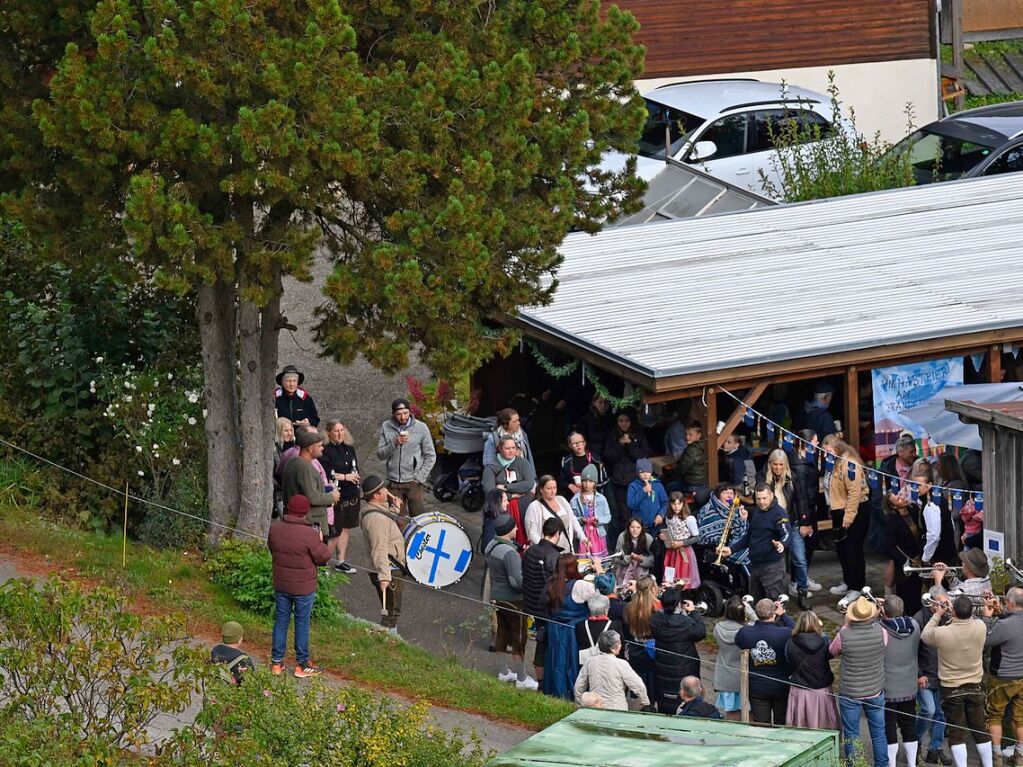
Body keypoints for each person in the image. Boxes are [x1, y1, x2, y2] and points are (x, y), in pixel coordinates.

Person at [921, 594, 993, 767]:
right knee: (980, 728)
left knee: (956, 731)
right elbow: (976, 619)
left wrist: (938, 614)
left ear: (954, 612)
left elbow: (925, 635)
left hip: (951, 688)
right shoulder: (980, 626)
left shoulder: (943, 632)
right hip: (975, 686)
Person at [267, 495, 332, 677]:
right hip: (303, 588)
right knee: (301, 623)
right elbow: (323, 557)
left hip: (281, 584)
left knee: (281, 621)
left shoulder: (275, 529)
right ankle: (301, 664)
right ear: (305, 512)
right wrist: (319, 539)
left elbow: (272, 549)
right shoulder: (309, 534)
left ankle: (277, 663)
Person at [830, 596, 889, 767]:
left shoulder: (844, 635)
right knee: (878, 733)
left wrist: (845, 625)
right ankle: (881, 764)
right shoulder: (881, 631)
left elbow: (832, 651)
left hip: (850, 692)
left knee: (851, 734)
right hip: (875, 689)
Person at [485, 514, 538, 690]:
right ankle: (522, 678)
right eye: (514, 527)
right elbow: (517, 582)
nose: (517, 529)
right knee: (519, 638)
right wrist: (531, 582)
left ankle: (503, 671)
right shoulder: (509, 553)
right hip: (514, 601)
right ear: (508, 530)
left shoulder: (491, 546)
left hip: (497, 597)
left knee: (501, 633)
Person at [759, 448, 813, 609]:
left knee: (800, 559)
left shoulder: (792, 478)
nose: (777, 468)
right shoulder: (763, 478)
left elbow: (801, 500)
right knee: (776, 562)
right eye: (775, 464)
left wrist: (805, 522)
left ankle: (802, 591)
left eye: (780, 465)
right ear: (770, 464)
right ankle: (776, 596)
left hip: (792, 523)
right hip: (774, 526)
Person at [717, 483, 788, 602]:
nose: (761, 502)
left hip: (772, 566)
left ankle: (779, 621)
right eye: (758, 499)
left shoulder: (779, 513)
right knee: (754, 601)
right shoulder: (756, 512)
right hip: (755, 565)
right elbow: (750, 536)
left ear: (771, 496)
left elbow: (787, 533)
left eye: (764, 498)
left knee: (775, 602)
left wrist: (782, 544)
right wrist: (731, 549)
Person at [544, 553, 600, 699]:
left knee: (555, 661)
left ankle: (554, 691)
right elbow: (599, 595)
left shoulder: (551, 583)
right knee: (571, 664)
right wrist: (599, 571)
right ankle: (571, 693)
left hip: (555, 629)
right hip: (574, 632)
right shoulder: (580, 585)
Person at [735, 597, 796, 725]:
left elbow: (738, 641)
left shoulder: (745, 633)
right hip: (781, 684)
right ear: (773, 612)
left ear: (756, 613)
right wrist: (783, 615)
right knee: (782, 723)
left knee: (761, 724)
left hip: (757, 686)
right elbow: (798, 630)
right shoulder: (784, 633)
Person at [359, 475, 407, 635]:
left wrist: (395, 509)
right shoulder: (376, 520)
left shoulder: (374, 510)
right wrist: (384, 576)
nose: (387, 491)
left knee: (392, 611)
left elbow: (385, 517)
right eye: (383, 489)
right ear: (375, 496)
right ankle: (388, 641)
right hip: (389, 569)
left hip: (389, 567)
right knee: (391, 613)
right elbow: (379, 548)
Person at [522, 517, 565, 687]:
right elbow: (557, 585)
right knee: (548, 643)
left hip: (530, 603)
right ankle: (548, 681)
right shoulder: (554, 556)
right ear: (557, 534)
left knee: (539, 642)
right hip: (547, 607)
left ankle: (540, 681)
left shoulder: (531, 551)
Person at [880, 595, 922, 767]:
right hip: (909, 685)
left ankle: (891, 764)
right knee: (909, 725)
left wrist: (877, 612)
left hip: (887, 686)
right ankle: (912, 763)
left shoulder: (880, 628)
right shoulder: (915, 626)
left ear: (885, 611)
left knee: (889, 726)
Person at [375, 398, 435, 517]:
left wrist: (419, 478)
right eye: (398, 414)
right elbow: (380, 455)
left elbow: (430, 455)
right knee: (398, 520)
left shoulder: (421, 427)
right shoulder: (386, 426)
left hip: (414, 483)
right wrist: (394, 443)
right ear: (393, 414)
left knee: (418, 519)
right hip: (394, 483)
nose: (402, 417)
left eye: (405, 413)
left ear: (410, 412)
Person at [649, 587, 706, 714]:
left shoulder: (655, 621)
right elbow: (701, 633)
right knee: (688, 703)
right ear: (679, 603)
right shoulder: (686, 622)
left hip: (663, 668)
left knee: (665, 702)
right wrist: (694, 612)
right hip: (684, 668)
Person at [983, 587, 1023, 765]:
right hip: (1022, 676)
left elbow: (985, 639)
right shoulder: (1010, 620)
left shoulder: (1005, 625)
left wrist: (987, 616)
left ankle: (996, 756)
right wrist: (1001, 610)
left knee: (995, 715)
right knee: (1020, 717)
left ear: (1012, 603)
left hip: (1002, 677)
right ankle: (1020, 756)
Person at [281, 428, 340, 543]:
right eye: (320, 446)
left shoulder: (294, 462)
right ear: (310, 448)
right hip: (311, 522)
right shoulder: (304, 467)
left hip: (300, 522)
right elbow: (312, 497)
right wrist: (332, 496)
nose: (323, 448)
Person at [916, 587, 952, 766]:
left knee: (941, 714)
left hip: (943, 675)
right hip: (925, 676)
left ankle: (935, 749)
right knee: (928, 711)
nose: (943, 606)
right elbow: (910, 651)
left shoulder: (948, 617)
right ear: (931, 600)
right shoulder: (919, 619)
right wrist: (919, 674)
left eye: (945, 602)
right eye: (940, 602)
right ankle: (914, 742)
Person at [602, 408, 651, 544]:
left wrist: (630, 444)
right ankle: (625, 542)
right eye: (621, 420)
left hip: (635, 480)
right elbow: (608, 456)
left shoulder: (639, 434)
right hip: (618, 480)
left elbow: (643, 456)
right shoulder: (613, 434)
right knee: (621, 514)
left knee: (636, 511)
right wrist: (619, 444)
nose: (623, 424)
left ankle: (639, 540)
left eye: (626, 421)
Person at [318, 419, 359, 574]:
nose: (340, 433)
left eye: (342, 430)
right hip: (336, 496)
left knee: (346, 529)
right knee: (334, 533)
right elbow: (327, 473)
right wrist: (345, 477)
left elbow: (355, 467)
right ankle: (323, 563)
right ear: (329, 432)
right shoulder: (326, 450)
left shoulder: (349, 447)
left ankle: (341, 561)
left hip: (351, 494)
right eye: (336, 431)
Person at [828, 440, 869, 596]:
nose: (825, 453)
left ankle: (857, 587)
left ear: (837, 449)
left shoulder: (850, 464)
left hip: (855, 511)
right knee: (842, 549)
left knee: (853, 550)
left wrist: (849, 517)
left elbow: (854, 493)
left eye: (828, 450)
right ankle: (848, 581)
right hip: (839, 510)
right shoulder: (835, 461)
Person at [785, 610, 838, 730]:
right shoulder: (824, 642)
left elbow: (788, 661)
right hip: (821, 689)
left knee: (801, 726)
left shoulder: (790, 643)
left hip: (800, 689)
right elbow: (831, 655)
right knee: (825, 724)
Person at [573, 630, 649, 711]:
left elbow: (578, 687)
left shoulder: (590, 662)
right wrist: (646, 703)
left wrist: (579, 704)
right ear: (613, 647)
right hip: (617, 709)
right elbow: (639, 686)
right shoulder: (621, 664)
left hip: (596, 709)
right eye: (619, 643)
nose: (620, 645)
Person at [482, 435, 537, 547]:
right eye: (507, 448)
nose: (511, 451)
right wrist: (514, 495)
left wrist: (506, 488)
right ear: (500, 449)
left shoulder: (522, 463)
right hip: (501, 508)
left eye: (513, 448)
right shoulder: (491, 467)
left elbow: (529, 483)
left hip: (523, 507)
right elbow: (491, 491)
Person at [884, 480, 924, 616]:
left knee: (918, 590)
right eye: (898, 499)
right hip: (905, 561)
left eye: (902, 496)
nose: (903, 498)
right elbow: (890, 546)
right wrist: (904, 560)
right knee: (907, 592)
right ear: (893, 506)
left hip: (919, 556)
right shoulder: (892, 520)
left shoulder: (914, 510)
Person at [789, 429, 823, 586]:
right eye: (815, 440)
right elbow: (801, 495)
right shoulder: (799, 465)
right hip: (802, 512)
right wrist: (805, 521)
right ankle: (796, 582)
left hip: (810, 508)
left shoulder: (808, 458)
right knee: (804, 547)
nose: (818, 443)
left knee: (811, 542)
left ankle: (802, 577)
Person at [622, 575, 660, 702]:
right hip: (653, 650)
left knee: (639, 684)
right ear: (653, 589)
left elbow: (627, 630)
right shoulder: (657, 608)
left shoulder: (628, 607)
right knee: (653, 684)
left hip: (635, 649)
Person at [698, 483, 750, 575]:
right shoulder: (708, 510)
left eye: (731, 493)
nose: (729, 495)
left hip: (735, 543)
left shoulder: (737, 509)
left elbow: (744, 532)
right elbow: (704, 534)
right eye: (725, 492)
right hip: (717, 547)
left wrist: (743, 519)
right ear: (718, 495)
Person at [525, 475, 587, 552]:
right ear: (541, 489)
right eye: (549, 488)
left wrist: (582, 537)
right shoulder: (534, 507)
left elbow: (573, 519)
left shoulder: (562, 500)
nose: (552, 491)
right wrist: (546, 548)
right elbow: (532, 534)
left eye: (554, 488)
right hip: (547, 551)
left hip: (566, 546)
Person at [713, 596, 747, 721]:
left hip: (725, 676)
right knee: (749, 713)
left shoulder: (718, 628)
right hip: (743, 676)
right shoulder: (746, 631)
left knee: (732, 714)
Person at [660, 492, 700, 589]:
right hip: (672, 552)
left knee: (683, 579)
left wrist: (682, 543)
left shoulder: (689, 519)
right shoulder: (668, 518)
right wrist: (664, 537)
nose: (676, 507)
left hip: (684, 552)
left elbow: (697, 537)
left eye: (679, 504)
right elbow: (670, 534)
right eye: (674, 504)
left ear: (683, 504)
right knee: (670, 577)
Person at [570, 464, 611, 558]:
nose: (587, 484)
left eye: (590, 481)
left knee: (600, 561)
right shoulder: (574, 500)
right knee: (584, 561)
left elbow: (608, 517)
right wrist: (581, 520)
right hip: (583, 534)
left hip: (598, 534)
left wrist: (599, 520)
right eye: (584, 481)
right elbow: (571, 519)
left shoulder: (601, 499)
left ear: (595, 483)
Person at [482, 407, 535, 475]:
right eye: (514, 421)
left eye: (518, 420)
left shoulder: (522, 434)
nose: (518, 423)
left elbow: (529, 457)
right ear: (505, 424)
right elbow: (488, 463)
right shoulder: (493, 439)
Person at [576, 593, 623, 665]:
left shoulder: (580, 626)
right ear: (606, 610)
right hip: (608, 665)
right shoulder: (615, 626)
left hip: (588, 665)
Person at [559, 432, 608, 498]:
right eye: (574, 443)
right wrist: (569, 485)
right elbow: (562, 480)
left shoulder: (595, 459)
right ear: (570, 445)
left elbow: (604, 480)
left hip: (593, 498)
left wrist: (589, 486)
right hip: (574, 498)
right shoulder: (566, 461)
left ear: (584, 443)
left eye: (580, 442)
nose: (578, 445)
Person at [626, 458, 667, 532]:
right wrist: (643, 491)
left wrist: (661, 515)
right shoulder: (633, 486)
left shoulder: (658, 485)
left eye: (648, 471)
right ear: (638, 473)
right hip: (640, 526)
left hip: (656, 524)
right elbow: (631, 504)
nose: (645, 474)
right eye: (642, 472)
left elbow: (665, 502)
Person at [211, 620, 255, 685]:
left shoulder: (215, 651)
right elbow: (250, 684)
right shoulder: (243, 661)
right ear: (239, 640)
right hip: (233, 694)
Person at [614, 517, 654, 583]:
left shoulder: (648, 538)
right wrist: (630, 558)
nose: (635, 530)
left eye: (638, 527)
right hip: (624, 571)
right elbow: (617, 558)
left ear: (642, 528)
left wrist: (641, 559)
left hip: (642, 572)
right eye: (632, 527)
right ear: (628, 527)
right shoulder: (622, 536)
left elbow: (653, 560)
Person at [671, 422, 708, 492]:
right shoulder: (704, 445)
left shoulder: (692, 450)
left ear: (699, 435)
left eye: (690, 435)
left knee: (669, 486)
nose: (687, 437)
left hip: (692, 485)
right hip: (701, 482)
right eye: (686, 434)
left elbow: (682, 469)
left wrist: (673, 474)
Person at [577, 394, 614, 461]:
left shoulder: (613, 420)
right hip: (591, 456)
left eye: (606, 402)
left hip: (609, 455)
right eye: (600, 402)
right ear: (594, 403)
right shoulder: (585, 420)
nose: (603, 405)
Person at [272, 416, 296, 518]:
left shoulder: (295, 446)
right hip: (280, 494)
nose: (289, 433)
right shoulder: (274, 449)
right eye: (286, 431)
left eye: (291, 430)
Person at [479, 487, 508, 554]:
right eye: (504, 501)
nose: (508, 503)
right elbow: (486, 547)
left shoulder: (493, 518)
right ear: (497, 503)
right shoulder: (491, 523)